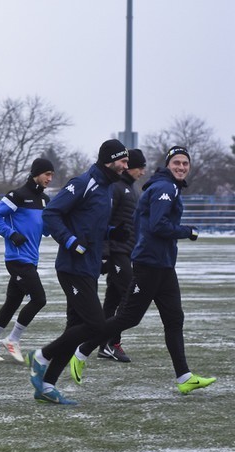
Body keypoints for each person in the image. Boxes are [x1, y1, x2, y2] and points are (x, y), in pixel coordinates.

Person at [73, 146, 216, 395]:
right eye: (177, 163)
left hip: (162, 265)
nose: (182, 167)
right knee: (128, 317)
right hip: (150, 265)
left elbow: (147, 223)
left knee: (174, 319)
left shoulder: (164, 186)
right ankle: (82, 350)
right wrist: (187, 231)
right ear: (169, 165)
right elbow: (159, 225)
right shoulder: (165, 187)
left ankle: (184, 377)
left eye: (185, 163)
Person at [25, 139, 130, 404]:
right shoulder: (83, 183)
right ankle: (40, 356)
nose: (126, 166)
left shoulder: (108, 188)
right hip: (72, 268)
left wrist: (111, 233)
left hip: (89, 268)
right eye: (123, 161)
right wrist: (70, 241)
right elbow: (51, 214)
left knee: (76, 328)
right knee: (96, 324)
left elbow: (89, 226)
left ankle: (47, 386)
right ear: (110, 160)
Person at [0, 158, 53, 362]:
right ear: (36, 174)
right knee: (39, 299)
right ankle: (13, 339)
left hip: (31, 259)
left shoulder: (45, 200)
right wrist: (11, 234)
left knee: (12, 302)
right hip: (17, 259)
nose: (49, 178)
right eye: (47, 174)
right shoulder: (17, 195)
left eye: (52, 175)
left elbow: (46, 230)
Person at [93, 148, 146, 362]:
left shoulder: (131, 189)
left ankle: (103, 344)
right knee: (129, 295)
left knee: (113, 299)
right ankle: (110, 342)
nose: (142, 172)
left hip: (126, 252)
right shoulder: (116, 188)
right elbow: (104, 222)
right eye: (140, 167)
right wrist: (104, 255)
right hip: (116, 253)